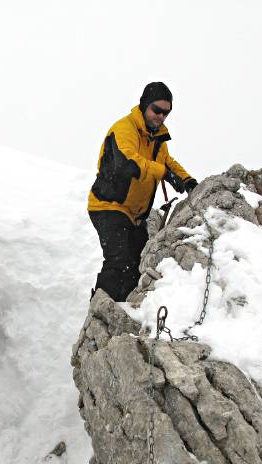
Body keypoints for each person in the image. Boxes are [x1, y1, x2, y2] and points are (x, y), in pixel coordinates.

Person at [88, 81, 198, 302]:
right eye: (156, 110)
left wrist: (188, 181)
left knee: (138, 264)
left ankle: (124, 310)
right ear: (144, 105)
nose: (161, 116)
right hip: (108, 206)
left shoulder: (157, 138)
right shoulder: (124, 129)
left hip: (136, 215)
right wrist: (163, 173)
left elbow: (168, 162)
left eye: (166, 113)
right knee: (118, 261)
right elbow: (126, 162)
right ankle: (100, 310)